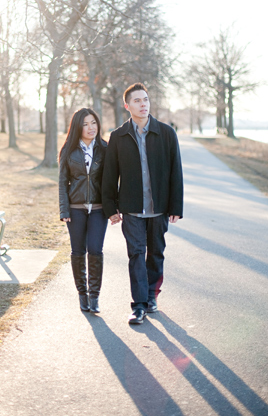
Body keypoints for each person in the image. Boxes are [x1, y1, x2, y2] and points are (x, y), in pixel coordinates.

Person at [102, 83, 184, 325]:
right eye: (137, 100)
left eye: (146, 99)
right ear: (127, 106)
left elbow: (175, 172)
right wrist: (111, 208)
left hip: (159, 208)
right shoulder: (118, 136)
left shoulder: (167, 133)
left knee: (156, 253)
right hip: (131, 208)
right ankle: (138, 305)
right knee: (136, 254)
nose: (143, 104)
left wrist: (175, 206)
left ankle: (151, 296)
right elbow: (109, 175)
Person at [59, 108, 109, 313]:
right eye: (86, 124)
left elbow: (112, 179)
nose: (91, 128)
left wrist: (113, 207)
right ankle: (82, 294)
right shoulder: (69, 151)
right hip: (75, 208)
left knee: (95, 251)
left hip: (99, 209)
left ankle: (94, 296)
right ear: (78, 127)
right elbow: (62, 182)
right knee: (78, 252)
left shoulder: (105, 148)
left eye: (94, 123)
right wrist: (64, 210)